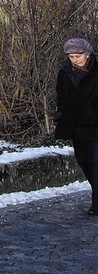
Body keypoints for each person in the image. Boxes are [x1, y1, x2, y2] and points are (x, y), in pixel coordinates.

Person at [54, 37, 98, 215]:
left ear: (87, 55)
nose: (74, 60)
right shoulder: (64, 73)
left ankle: (96, 204)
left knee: (96, 163)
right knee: (83, 162)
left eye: (77, 56)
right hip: (75, 124)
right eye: (71, 56)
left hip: (95, 124)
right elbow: (61, 96)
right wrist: (62, 114)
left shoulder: (96, 71)